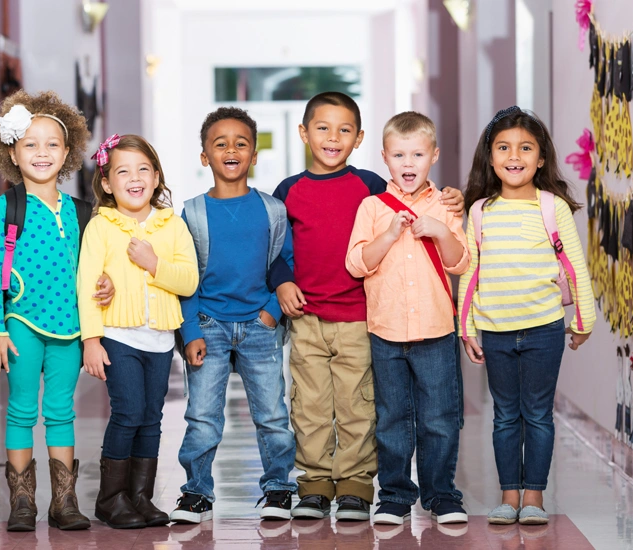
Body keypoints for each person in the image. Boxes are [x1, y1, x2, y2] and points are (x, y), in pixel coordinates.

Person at [269, 92, 465, 520]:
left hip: (362, 317)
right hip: (308, 317)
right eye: (322, 128)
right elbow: (272, 250)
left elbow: (414, 196)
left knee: (360, 405)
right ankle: (316, 483)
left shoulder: (373, 187)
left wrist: (453, 199)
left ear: (358, 139)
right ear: (304, 133)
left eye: (344, 130)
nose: (332, 137)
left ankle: (357, 484)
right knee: (311, 405)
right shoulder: (288, 191)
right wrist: (281, 283)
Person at [458, 106, 595, 525]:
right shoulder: (481, 210)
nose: (513, 155)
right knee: (504, 416)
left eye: (525, 147)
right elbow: (471, 271)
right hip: (496, 331)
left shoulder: (552, 207)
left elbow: (576, 265)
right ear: (490, 156)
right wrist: (466, 328)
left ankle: (533, 497)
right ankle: (508, 495)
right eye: (503, 147)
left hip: (543, 330)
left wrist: (584, 321)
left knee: (536, 413)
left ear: (540, 158)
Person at [0, 90, 112, 531]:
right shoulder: (7, 207)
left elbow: (94, 269)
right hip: (21, 322)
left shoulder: (82, 212)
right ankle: (22, 501)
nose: (42, 153)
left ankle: (64, 500)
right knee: (21, 409)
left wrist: (106, 284)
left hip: (70, 328)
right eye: (31, 144)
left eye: (52, 144)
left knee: (60, 411)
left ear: (69, 151)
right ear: (13, 153)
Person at [172, 107, 297, 524]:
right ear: (205, 156)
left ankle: (279, 486)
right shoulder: (191, 214)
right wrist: (190, 330)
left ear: (254, 154)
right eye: (220, 143)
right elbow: (185, 278)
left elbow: (286, 263)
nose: (231, 149)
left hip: (259, 326)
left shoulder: (273, 210)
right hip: (208, 323)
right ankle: (196, 492)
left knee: (273, 415)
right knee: (203, 417)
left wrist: (272, 313)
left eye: (241, 143)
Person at [346, 111, 470, 526]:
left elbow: (460, 262)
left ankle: (441, 494)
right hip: (386, 331)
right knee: (392, 417)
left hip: (436, 330)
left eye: (418, 153)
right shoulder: (372, 207)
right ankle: (395, 495)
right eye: (399, 154)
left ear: (433, 155)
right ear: (385, 157)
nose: (408, 163)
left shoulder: (446, 205)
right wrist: (387, 234)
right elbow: (356, 263)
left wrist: (440, 230)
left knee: (439, 418)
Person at [78, 134, 197, 529]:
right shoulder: (101, 226)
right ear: (107, 182)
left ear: (157, 176)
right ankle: (110, 499)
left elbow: (188, 281)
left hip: (160, 338)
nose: (135, 177)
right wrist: (91, 340)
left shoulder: (172, 225)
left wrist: (152, 262)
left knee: (151, 417)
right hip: (118, 336)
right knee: (128, 413)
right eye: (123, 170)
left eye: (144, 169)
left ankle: (140, 496)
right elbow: (88, 284)